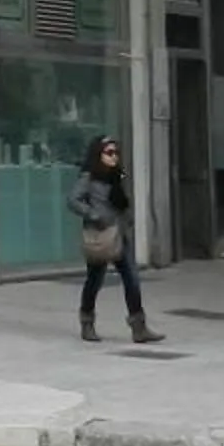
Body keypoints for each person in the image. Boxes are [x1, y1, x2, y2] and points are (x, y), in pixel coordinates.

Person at [68, 136, 165, 345]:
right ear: (99, 155)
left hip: (120, 235)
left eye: (116, 153)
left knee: (132, 279)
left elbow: (122, 201)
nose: (114, 157)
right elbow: (73, 200)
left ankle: (139, 327)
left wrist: (129, 220)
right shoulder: (89, 177)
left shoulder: (117, 175)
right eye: (109, 153)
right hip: (101, 235)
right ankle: (87, 321)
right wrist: (93, 215)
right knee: (95, 280)